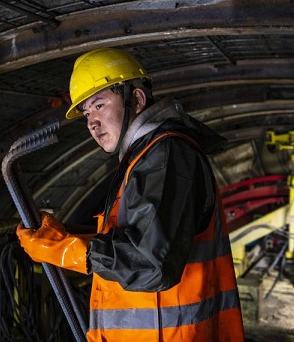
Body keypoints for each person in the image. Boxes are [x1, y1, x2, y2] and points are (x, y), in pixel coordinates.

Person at [16, 48, 244, 341]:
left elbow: (152, 265)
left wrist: (65, 249)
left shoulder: (165, 156)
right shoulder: (146, 157)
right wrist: (64, 235)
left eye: (99, 105)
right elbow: (135, 236)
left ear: (136, 99)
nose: (91, 123)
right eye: (86, 113)